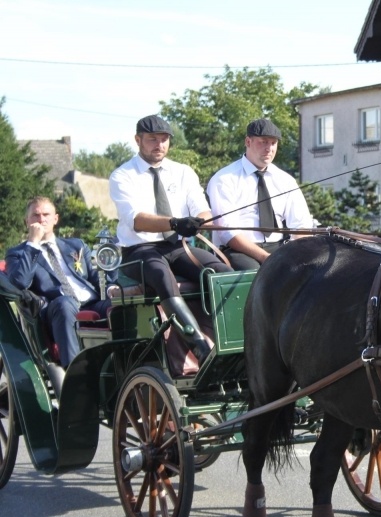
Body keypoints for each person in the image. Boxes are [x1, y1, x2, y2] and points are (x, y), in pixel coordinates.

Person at [109, 114, 232, 360]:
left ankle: (232, 341)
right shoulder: (122, 176)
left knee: (223, 274)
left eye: (164, 139)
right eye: (152, 139)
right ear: (138, 140)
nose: (159, 144)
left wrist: (199, 221)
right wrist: (175, 222)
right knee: (160, 273)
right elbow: (136, 219)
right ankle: (200, 347)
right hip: (140, 251)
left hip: (179, 246)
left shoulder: (183, 172)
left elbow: (202, 208)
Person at [4, 196, 117, 368]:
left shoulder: (76, 245)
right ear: (26, 221)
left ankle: (131, 365)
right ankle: (75, 374)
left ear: (55, 219)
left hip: (91, 304)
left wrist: (111, 290)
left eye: (46, 214)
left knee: (121, 305)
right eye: (36, 215)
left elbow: (95, 277)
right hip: (56, 311)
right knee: (65, 304)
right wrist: (33, 243)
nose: (41, 219)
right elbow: (20, 282)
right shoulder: (18, 253)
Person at [206, 118, 314, 271]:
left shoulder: (286, 180)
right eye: (263, 142)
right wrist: (265, 257)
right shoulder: (224, 179)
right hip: (238, 251)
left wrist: (298, 253)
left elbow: (301, 225)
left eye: (273, 143)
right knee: (257, 276)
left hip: (279, 248)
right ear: (248, 142)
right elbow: (227, 232)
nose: (269, 148)